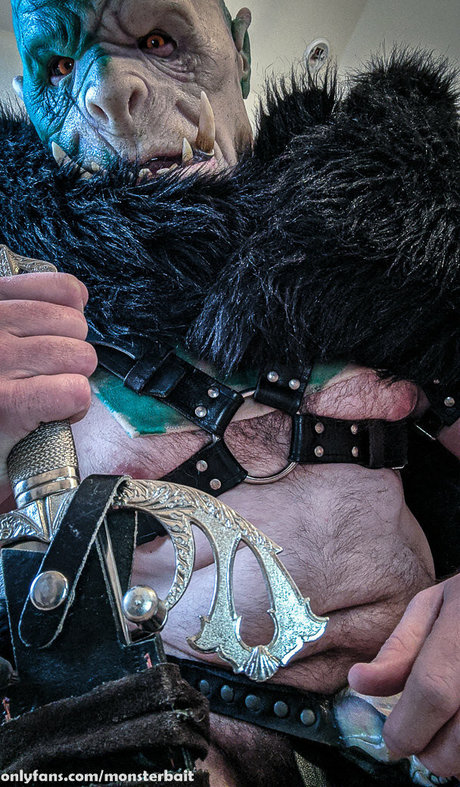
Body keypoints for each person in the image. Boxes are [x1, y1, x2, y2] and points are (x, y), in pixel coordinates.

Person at [0, 0, 458, 784]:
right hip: (151, 727)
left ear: (238, 50)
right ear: (25, 95)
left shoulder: (393, 254)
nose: (106, 91)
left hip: (410, 720)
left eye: (157, 39)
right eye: (60, 66)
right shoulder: (20, 311)